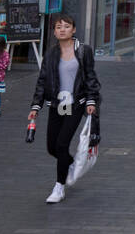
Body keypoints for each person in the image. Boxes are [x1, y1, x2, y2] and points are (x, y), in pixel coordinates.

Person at [27, 13, 101, 203]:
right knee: (52, 148)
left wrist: (92, 101)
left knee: (62, 144)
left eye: (66, 26)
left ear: (74, 30)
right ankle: (69, 164)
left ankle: (59, 187)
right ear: (54, 31)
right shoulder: (51, 53)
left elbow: (91, 78)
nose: (62, 30)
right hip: (57, 105)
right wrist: (36, 106)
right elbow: (43, 80)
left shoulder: (83, 51)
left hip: (75, 104)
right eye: (58, 27)